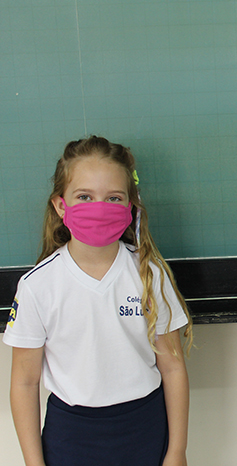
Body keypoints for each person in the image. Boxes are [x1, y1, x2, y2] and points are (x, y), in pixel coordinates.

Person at [3, 136, 193, 466]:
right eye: (84, 197)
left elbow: (173, 367)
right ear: (61, 206)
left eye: (113, 198)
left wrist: (177, 451)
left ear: (130, 206)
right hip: (71, 435)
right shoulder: (38, 286)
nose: (99, 208)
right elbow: (24, 382)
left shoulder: (149, 273)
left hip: (145, 427)